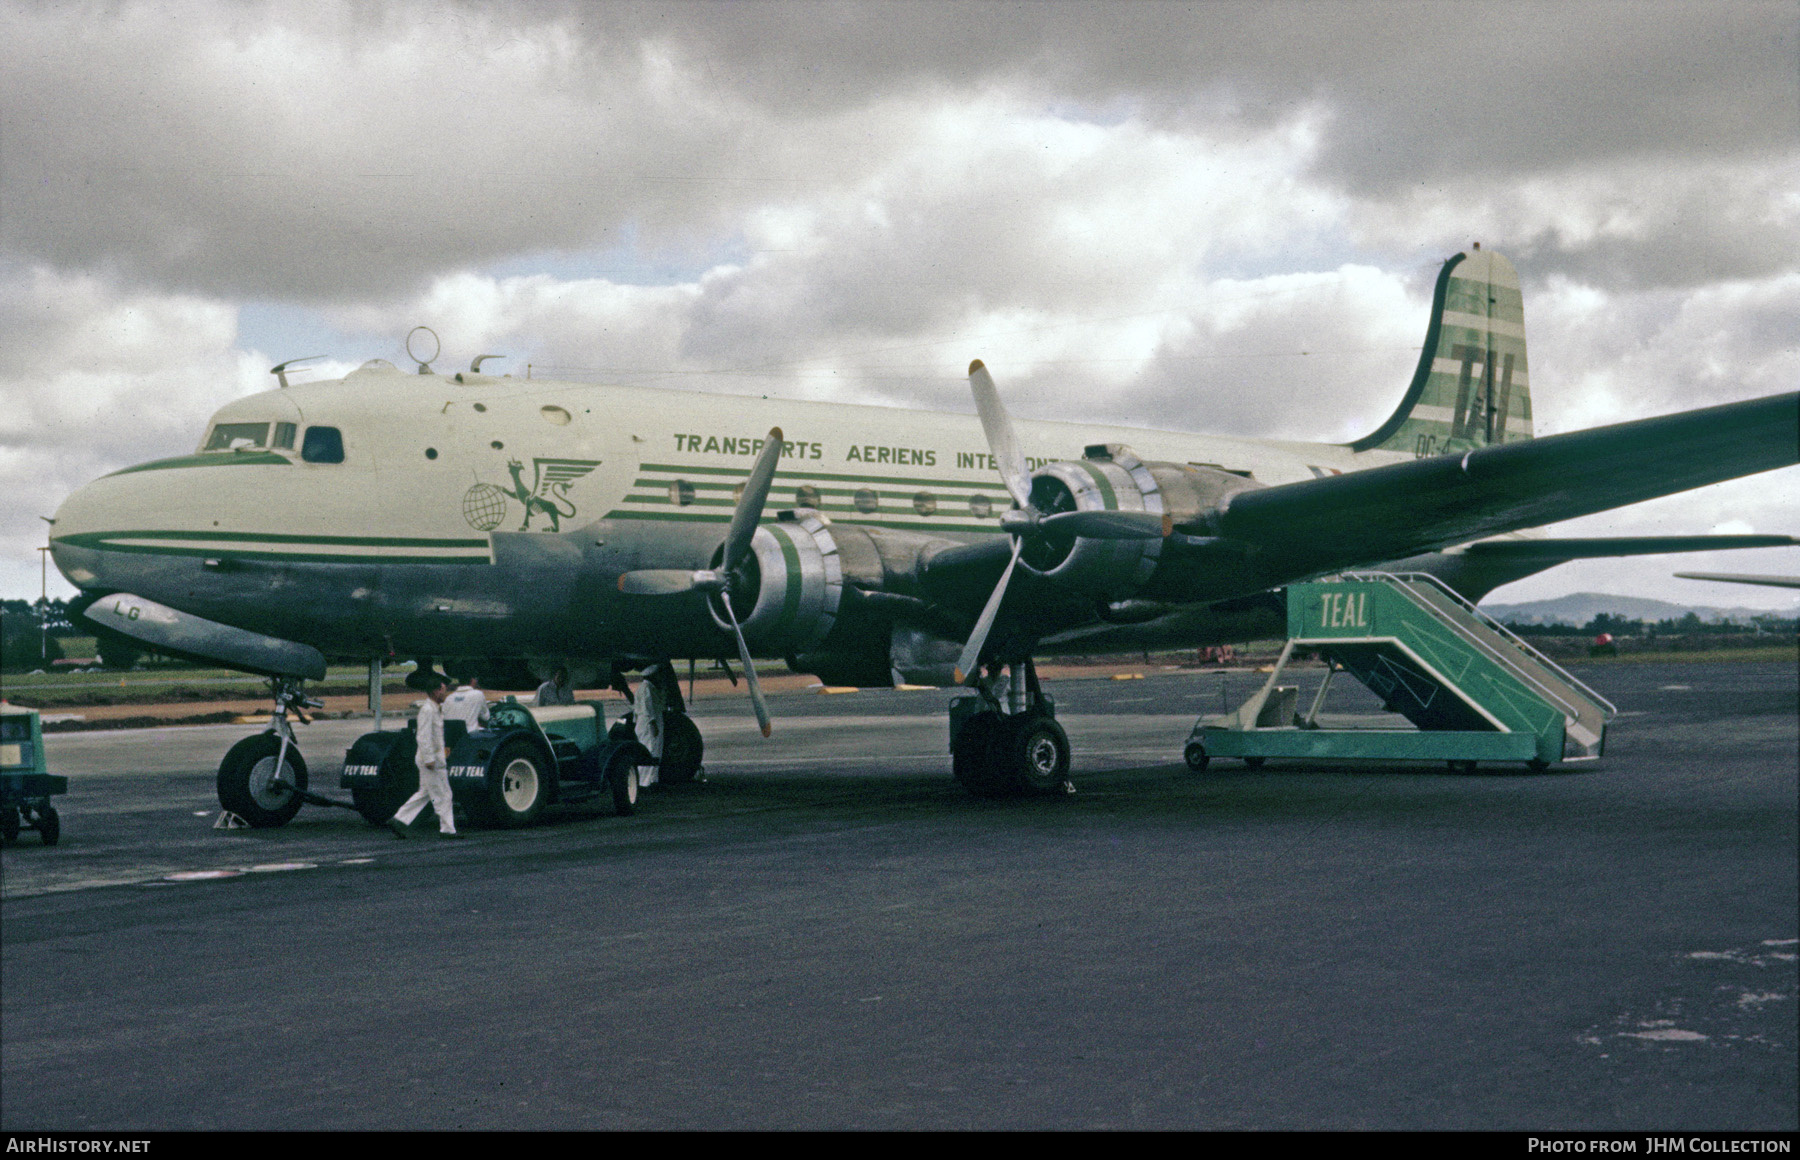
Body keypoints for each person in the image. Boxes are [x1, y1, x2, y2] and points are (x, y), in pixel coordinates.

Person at [388, 672, 461, 839]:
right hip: (431, 761)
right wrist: (429, 759)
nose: (445, 693)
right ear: (435, 691)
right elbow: (423, 736)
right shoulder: (428, 710)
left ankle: (399, 820)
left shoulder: (435, 709)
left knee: (425, 793)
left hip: (433, 759)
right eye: (443, 690)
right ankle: (448, 830)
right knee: (443, 795)